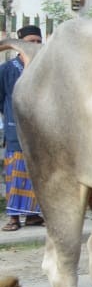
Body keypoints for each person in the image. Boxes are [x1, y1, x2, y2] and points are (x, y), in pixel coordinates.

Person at [1, 25, 44, 231]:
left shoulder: (46, 69)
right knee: (16, 173)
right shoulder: (7, 70)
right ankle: (14, 218)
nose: (35, 45)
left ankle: (34, 215)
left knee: (37, 173)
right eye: (30, 41)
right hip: (15, 131)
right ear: (19, 45)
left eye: (38, 41)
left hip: (41, 132)